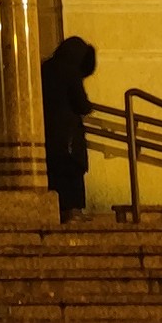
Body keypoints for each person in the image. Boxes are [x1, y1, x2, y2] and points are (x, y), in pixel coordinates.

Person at [42, 35, 99, 219]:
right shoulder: (70, 72)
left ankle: (58, 211)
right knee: (72, 172)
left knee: (55, 173)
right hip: (68, 136)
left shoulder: (45, 68)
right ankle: (73, 211)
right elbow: (81, 104)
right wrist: (90, 107)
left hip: (47, 133)